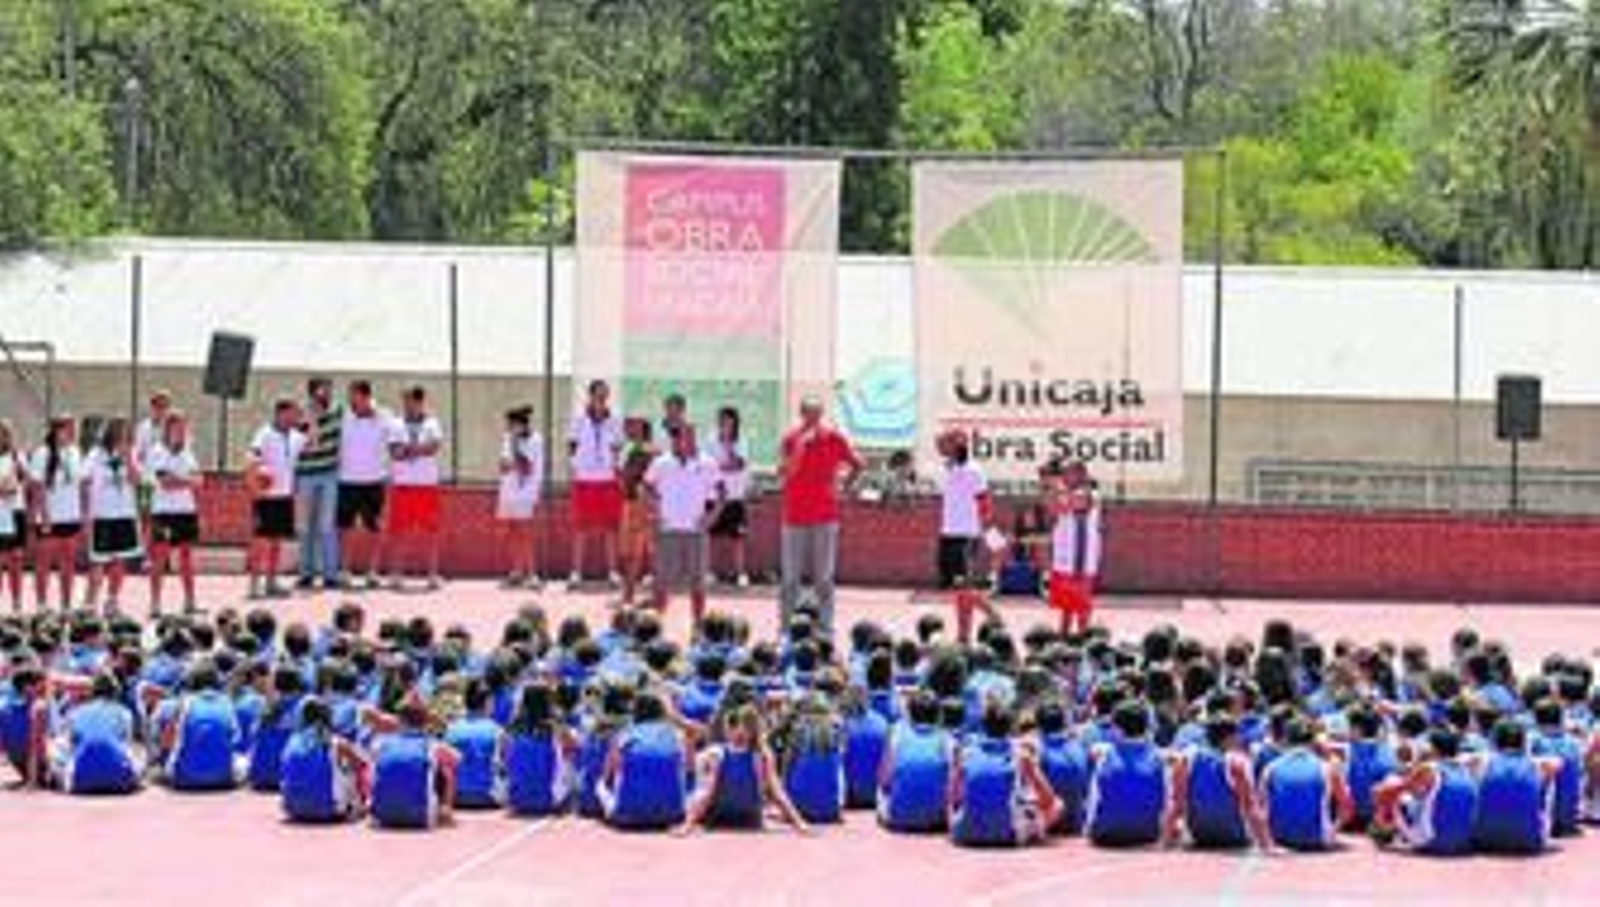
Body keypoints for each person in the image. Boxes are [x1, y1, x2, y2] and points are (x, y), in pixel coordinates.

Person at [777, 395, 862, 642]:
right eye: (807, 413)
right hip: (794, 516)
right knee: (790, 577)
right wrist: (800, 449)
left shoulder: (834, 438)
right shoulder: (790, 439)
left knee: (823, 578)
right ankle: (785, 628)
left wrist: (844, 487)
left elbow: (857, 464)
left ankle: (825, 627)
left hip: (825, 516)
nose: (812, 418)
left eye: (816, 414)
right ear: (801, 414)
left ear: (821, 414)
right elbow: (784, 473)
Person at [678, 704, 810, 834]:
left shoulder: (716, 753)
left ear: (729, 729)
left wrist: (687, 825)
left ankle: (689, 820)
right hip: (751, 819)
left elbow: (705, 791)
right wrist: (799, 823)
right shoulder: (763, 755)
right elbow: (777, 792)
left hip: (718, 819)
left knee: (696, 787)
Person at [948, 700, 1063, 847]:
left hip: (964, 834)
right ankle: (1033, 833)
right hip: (1007, 835)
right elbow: (1049, 799)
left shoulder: (965, 753)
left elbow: (953, 797)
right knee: (1058, 806)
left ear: (983, 726)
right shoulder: (1022, 755)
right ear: (1010, 727)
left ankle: (955, 829)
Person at [644, 423, 719, 628]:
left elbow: (721, 491)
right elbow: (647, 487)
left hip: (696, 531)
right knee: (661, 584)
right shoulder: (661, 462)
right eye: (686, 436)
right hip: (668, 530)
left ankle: (698, 627)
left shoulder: (707, 462)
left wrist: (712, 516)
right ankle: (654, 629)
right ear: (675, 439)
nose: (690, 441)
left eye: (693, 436)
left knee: (698, 585)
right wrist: (654, 512)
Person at [1085, 701, 1182, 848]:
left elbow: (1093, 751)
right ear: (1147, 728)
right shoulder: (1160, 757)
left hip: (1103, 834)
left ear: (1117, 728)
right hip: (1148, 834)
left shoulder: (1102, 752)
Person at [600, 691, 698, 831]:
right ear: (661, 713)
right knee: (690, 778)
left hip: (626, 816)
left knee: (600, 785)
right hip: (673, 815)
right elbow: (690, 769)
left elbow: (607, 777)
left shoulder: (623, 735)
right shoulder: (677, 735)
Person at [1371, 728, 1478, 857]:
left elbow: (1393, 790)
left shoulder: (1429, 768)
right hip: (1462, 842)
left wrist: (1377, 790)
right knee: (1419, 798)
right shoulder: (1466, 770)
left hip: (1432, 841)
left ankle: (1383, 831)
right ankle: (1394, 830)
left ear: (1435, 748)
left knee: (1390, 787)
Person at [937, 430, 998, 644]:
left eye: (944, 442)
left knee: (965, 587)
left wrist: (988, 534)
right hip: (947, 534)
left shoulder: (974, 470)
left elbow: (985, 504)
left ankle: (994, 617)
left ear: (957, 444)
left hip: (966, 536)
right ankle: (963, 635)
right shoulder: (947, 469)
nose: (939, 446)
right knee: (958, 590)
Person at [1178, 714, 1272, 850]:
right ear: (1228, 738)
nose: (1239, 739)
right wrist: (1267, 845)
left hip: (1198, 836)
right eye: (1236, 735)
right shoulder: (1236, 762)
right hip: (1233, 838)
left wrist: (1163, 842)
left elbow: (1176, 802)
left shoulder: (1189, 757)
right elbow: (1251, 807)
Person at [1260, 716, 1353, 852]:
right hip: (1317, 840)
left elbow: (1260, 808)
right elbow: (1347, 807)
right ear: (1313, 740)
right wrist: (1333, 831)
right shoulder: (1328, 768)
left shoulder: (1269, 768)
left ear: (1285, 739)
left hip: (1278, 839)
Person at [368, 694, 462, 829]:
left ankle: (372, 805)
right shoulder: (432, 745)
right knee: (447, 769)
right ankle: (445, 811)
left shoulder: (379, 743)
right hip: (420, 816)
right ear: (425, 720)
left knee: (375, 767)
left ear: (399, 719)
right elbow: (458, 759)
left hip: (382, 816)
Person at [1471, 718, 1562, 854]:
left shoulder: (1484, 761)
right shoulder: (1535, 765)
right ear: (1523, 742)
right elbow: (1558, 763)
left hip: (1485, 840)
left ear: (1496, 741)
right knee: (1547, 789)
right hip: (1528, 841)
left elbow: (1460, 760)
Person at [246, 398, 307, 600]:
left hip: (285, 495)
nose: (295, 417)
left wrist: (310, 419)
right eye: (293, 413)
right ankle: (254, 584)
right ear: (281, 413)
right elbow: (251, 458)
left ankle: (271, 582)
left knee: (277, 541)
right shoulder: (264, 434)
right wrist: (255, 483)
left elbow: (313, 441)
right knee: (260, 541)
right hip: (265, 496)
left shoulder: (295, 436)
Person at [385, 386, 445, 591]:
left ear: (420, 402)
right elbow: (394, 451)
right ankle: (397, 575)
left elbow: (434, 447)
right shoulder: (395, 423)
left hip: (427, 485)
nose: (406, 405)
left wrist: (410, 450)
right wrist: (419, 450)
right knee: (399, 532)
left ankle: (432, 575)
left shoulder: (432, 423)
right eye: (404, 401)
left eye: (410, 401)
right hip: (402, 485)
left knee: (432, 532)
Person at [568, 379, 624, 589]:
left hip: (608, 480)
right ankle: (575, 572)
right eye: (598, 394)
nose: (602, 398)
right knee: (580, 528)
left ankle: (612, 572)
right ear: (590, 396)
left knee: (610, 528)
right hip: (584, 479)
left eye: (605, 395)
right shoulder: (579, 419)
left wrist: (615, 468)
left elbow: (618, 447)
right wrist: (575, 468)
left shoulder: (615, 420)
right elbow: (572, 446)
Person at [145, 410, 203, 616]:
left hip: (186, 511)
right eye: (177, 427)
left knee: (187, 557)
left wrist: (182, 480)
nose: (181, 431)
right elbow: (166, 483)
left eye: (183, 427)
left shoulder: (188, 451)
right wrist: (187, 481)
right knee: (159, 558)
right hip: (164, 512)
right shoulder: (157, 451)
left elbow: (200, 481)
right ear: (167, 428)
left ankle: (190, 602)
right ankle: (155, 604)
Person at [83, 418, 143, 614]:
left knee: (120, 560)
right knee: (98, 561)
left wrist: (128, 458)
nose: (123, 434)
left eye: (126, 430)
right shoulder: (96, 454)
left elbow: (137, 481)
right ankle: (90, 602)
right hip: (102, 515)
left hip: (125, 514)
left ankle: (112, 599)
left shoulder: (132, 453)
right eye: (119, 430)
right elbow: (84, 479)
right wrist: (86, 512)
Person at [280, 696, 371, 824]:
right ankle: (360, 806)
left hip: (292, 808)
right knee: (351, 769)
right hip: (327, 810)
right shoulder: (336, 741)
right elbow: (362, 765)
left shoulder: (291, 740)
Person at [336, 380, 390, 590]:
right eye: (349, 396)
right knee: (346, 529)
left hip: (374, 481)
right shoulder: (343, 416)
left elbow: (395, 441)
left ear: (365, 396)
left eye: (354, 395)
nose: (350, 400)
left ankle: (372, 572)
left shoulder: (384, 416)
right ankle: (345, 572)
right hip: (347, 481)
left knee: (374, 529)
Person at [879, 689, 955, 833]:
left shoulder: (896, 735)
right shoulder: (948, 740)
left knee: (881, 790)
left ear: (910, 714)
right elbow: (953, 784)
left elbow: (884, 780)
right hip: (938, 819)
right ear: (938, 715)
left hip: (898, 817)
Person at [55, 671, 142, 795]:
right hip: (122, 781)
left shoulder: (75, 712)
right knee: (138, 750)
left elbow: (69, 744)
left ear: (92, 692)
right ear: (115, 692)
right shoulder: (124, 712)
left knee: (58, 745)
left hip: (79, 781)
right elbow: (127, 742)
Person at [28, 414, 83, 612]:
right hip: (49, 519)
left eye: (73, 427)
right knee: (43, 563)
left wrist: (82, 515)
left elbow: (79, 485)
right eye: (69, 427)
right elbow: (37, 487)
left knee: (68, 564)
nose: (73, 431)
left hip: (71, 517)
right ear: (57, 430)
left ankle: (66, 605)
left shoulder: (75, 451)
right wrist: (45, 517)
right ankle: (42, 604)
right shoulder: (42, 453)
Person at [162, 660, 241, 791]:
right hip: (223, 777)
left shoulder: (184, 702)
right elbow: (236, 739)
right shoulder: (227, 702)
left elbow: (167, 741)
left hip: (184, 778)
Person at [295, 377, 342, 591]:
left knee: (326, 525)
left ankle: (330, 574)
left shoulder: (338, 414)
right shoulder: (300, 417)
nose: (325, 395)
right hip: (305, 475)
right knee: (305, 526)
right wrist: (312, 417)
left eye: (328, 391)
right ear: (311, 392)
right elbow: (310, 443)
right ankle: (306, 573)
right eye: (322, 391)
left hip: (329, 474)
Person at [504, 680, 577, 817]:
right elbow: (575, 749)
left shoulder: (514, 728)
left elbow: (505, 758)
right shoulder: (556, 726)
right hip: (549, 801)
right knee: (570, 758)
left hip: (517, 801)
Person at [1047, 461, 1102, 637]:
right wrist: (1053, 485)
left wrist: (1056, 485)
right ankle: (1062, 637)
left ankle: (1084, 638)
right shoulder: (1063, 492)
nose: (1064, 476)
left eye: (1067, 472)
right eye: (1062, 473)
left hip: (1082, 560)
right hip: (1065, 559)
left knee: (1083, 606)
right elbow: (1054, 509)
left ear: (1081, 474)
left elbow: (1072, 504)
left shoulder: (1091, 493)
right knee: (1066, 607)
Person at [496, 405, 544, 589]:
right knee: (513, 532)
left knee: (526, 533)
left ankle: (532, 574)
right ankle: (516, 571)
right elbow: (503, 465)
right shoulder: (508, 438)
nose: (508, 429)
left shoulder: (535, 439)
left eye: (511, 425)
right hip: (509, 491)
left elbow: (526, 467)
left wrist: (515, 448)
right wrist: (511, 460)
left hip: (526, 493)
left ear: (520, 424)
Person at [443, 679, 506, 809]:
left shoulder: (450, 729)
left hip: (455, 797)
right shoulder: (497, 731)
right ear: (487, 702)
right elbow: (503, 766)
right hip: (488, 797)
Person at [707, 406, 751, 588]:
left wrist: (728, 446)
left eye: (728, 421)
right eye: (721, 420)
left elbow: (738, 464)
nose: (724, 424)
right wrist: (723, 465)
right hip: (714, 496)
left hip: (735, 496)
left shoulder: (741, 441)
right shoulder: (710, 440)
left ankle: (740, 573)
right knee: (710, 536)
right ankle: (708, 572)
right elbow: (711, 466)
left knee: (738, 538)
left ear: (735, 423)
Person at [617, 418, 655, 606]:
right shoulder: (631, 450)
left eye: (633, 426)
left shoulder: (648, 451)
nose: (628, 428)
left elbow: (647, 480)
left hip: (641, 504)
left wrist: (644, 501)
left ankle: (631, 595)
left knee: (638, 551)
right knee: (635, 551)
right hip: (631, 502)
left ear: (643, 429)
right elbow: (624, 477)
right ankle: (631, 593)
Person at [0, 419, 26, 612]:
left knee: (16, 560)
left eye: (6, 433)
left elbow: (27, 480)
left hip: (16, 512)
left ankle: (17, 603)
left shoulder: (17, 455)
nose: (3, 437)